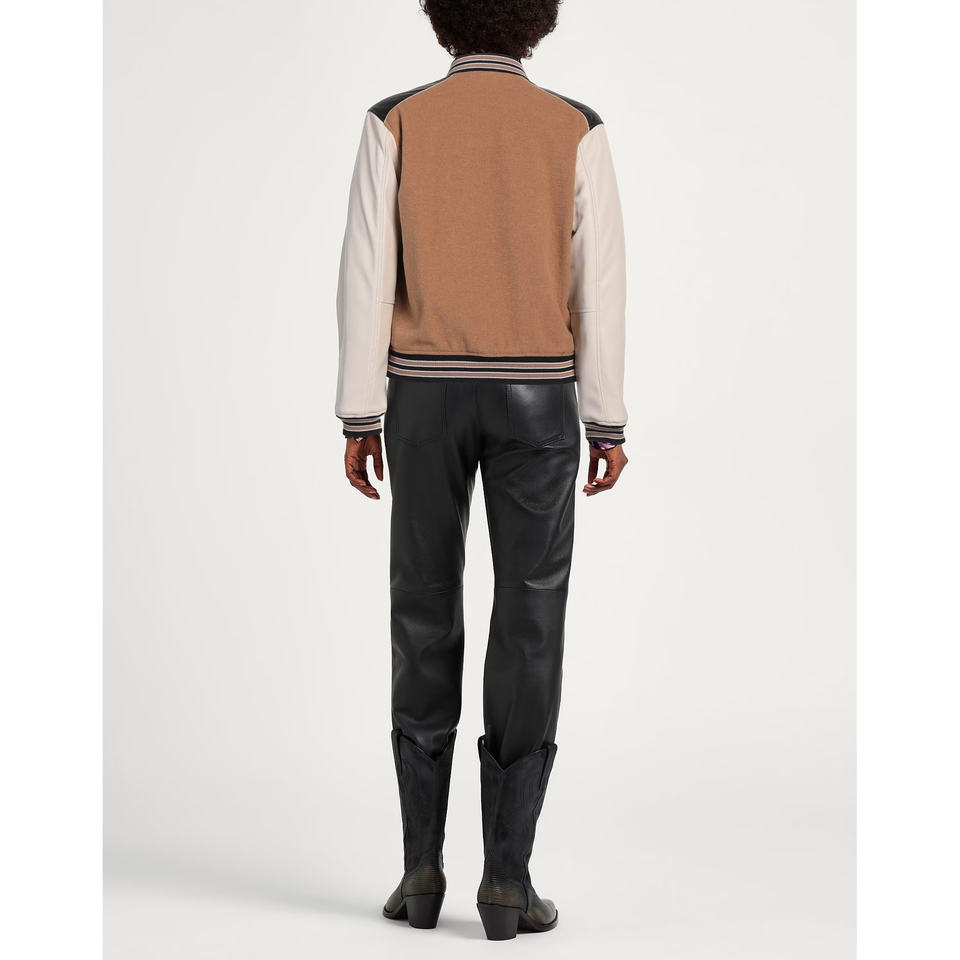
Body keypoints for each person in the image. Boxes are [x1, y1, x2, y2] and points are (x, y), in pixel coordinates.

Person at [334, 0, 628, 940]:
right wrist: (605, 416)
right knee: (531, 619)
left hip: (422, 399)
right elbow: (597, 282)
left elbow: (367, 273)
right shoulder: (573, 126)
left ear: (443, 17)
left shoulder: (397, 119)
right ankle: (507, 880)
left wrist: (359, 411)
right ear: (535, 20)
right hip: (539, 400)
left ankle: (421, 872)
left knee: (421, 609)